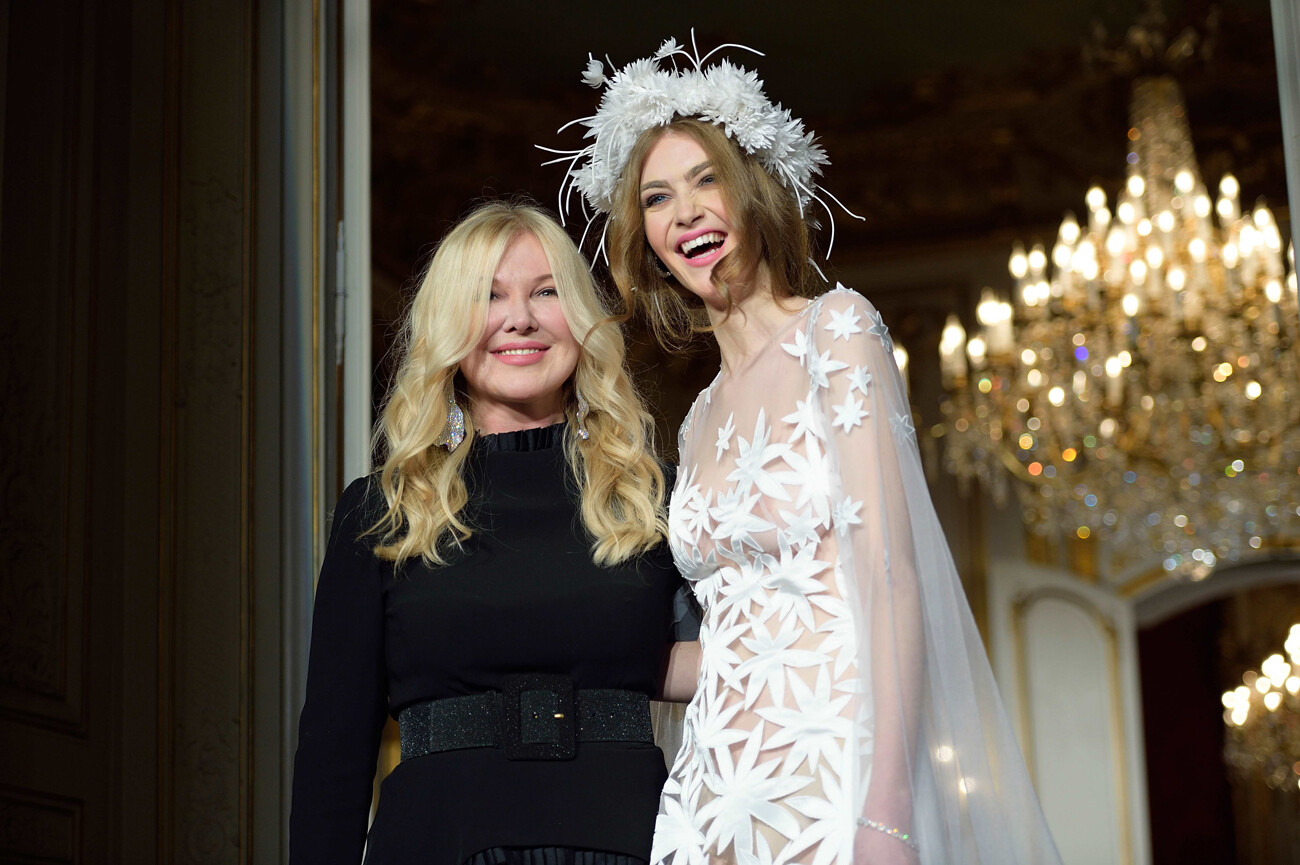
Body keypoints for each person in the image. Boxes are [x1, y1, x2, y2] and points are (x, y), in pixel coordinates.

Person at [545, 36, 1064, 864]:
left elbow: (891, 581)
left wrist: (888, 808)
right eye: (657, 198)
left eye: (706, 179)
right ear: (643, 235)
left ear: (751, 189)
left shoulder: (838, 331)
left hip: (836, 773)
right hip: (713, 787)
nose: (685, 214)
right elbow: (734, 637)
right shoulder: (701, 413)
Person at [289, 201, 700, 865]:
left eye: (546, 292)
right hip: (434, 847)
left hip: (631, 845)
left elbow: (757, 663)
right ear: (449, 324)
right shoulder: (382, 510)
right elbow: (333, 757)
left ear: (581, 318)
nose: (520, 318)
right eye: (489, 295)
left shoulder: (657, 497)